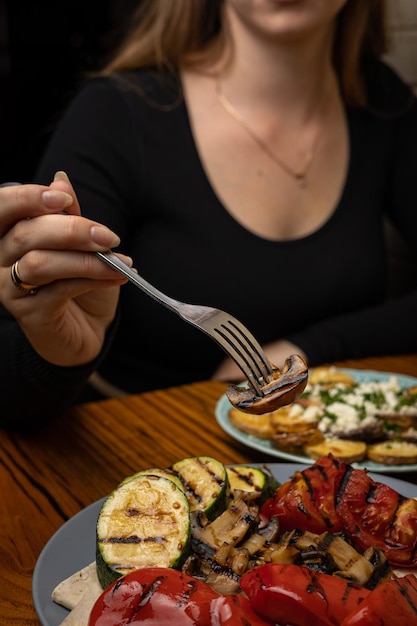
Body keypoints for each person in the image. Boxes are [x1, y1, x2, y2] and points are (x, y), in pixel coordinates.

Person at [1, 0, 417, 429]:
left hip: (322, 465)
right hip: (136, 455)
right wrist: (55, 353)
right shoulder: (114, 113)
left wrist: (315, 345)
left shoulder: (385, 104)